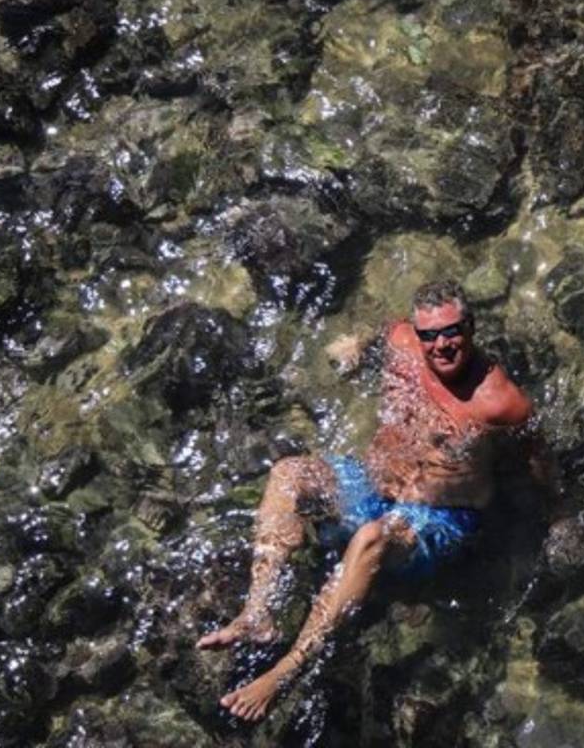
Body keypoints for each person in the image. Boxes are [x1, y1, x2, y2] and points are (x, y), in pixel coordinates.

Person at [197, 280, 550, 721]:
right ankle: (256, 613)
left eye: (452, 331)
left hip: (435, 519)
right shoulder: (404, 341)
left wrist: (539, 518)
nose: (441, 345)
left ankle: (287, 670)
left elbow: (536, 462)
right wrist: (355, 344)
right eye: (430, 335)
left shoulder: (500, 402)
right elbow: (382, 329)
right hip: (370, 484)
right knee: (288, 473)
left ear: (471, 327)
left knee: (370, 537)